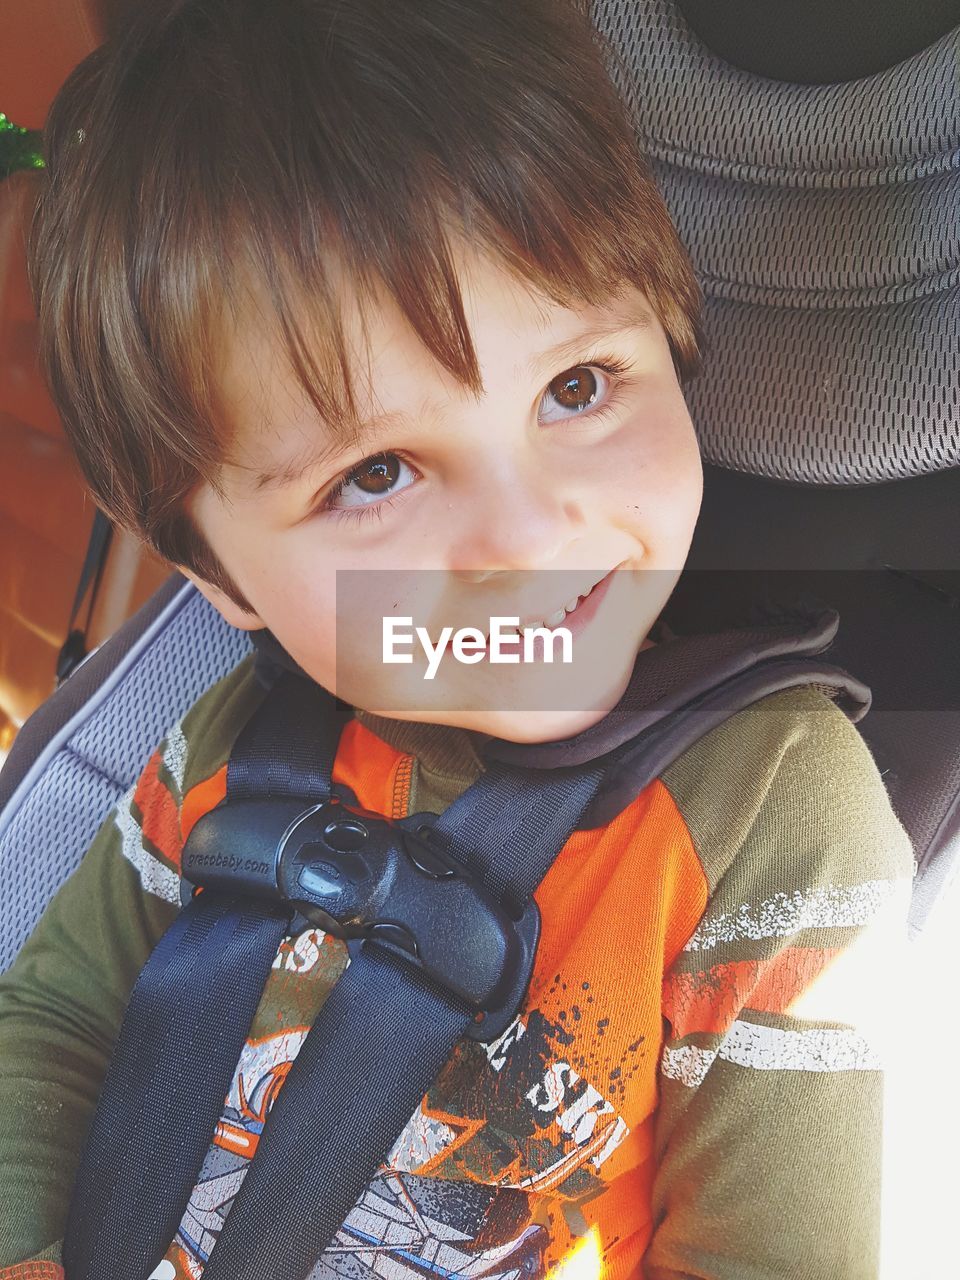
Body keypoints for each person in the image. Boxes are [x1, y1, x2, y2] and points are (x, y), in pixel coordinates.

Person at [0, 0, 914, 1276]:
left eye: (577, 386)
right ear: (217, 572)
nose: (530, 533)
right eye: (375, 473)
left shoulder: (774, 815)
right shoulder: (220, 744)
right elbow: (47, 1015)